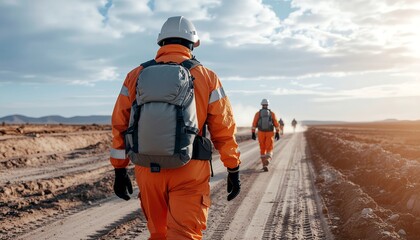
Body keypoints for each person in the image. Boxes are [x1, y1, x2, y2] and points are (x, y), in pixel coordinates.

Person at [109, 16, 241, 240]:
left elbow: (120, 124)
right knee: (184, 235)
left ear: (161, 43)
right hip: (190, 168)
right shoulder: (207, 76)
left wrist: (119, 169)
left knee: (158, 233)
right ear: (192, 45)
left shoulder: (135, 75)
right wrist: (233, 168)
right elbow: (223, 128)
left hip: (147, 169)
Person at [251, 99, 280, 172]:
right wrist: (277, 132)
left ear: (262, 105)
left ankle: (264, 164)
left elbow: (254, 124)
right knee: (269, 148)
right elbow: (276, 124)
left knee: (262, 148)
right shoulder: (272, 113)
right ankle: (267, 160)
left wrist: (253, 133)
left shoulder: (258, 114)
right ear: (267, 105)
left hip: (261, 132)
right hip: (270, 132)